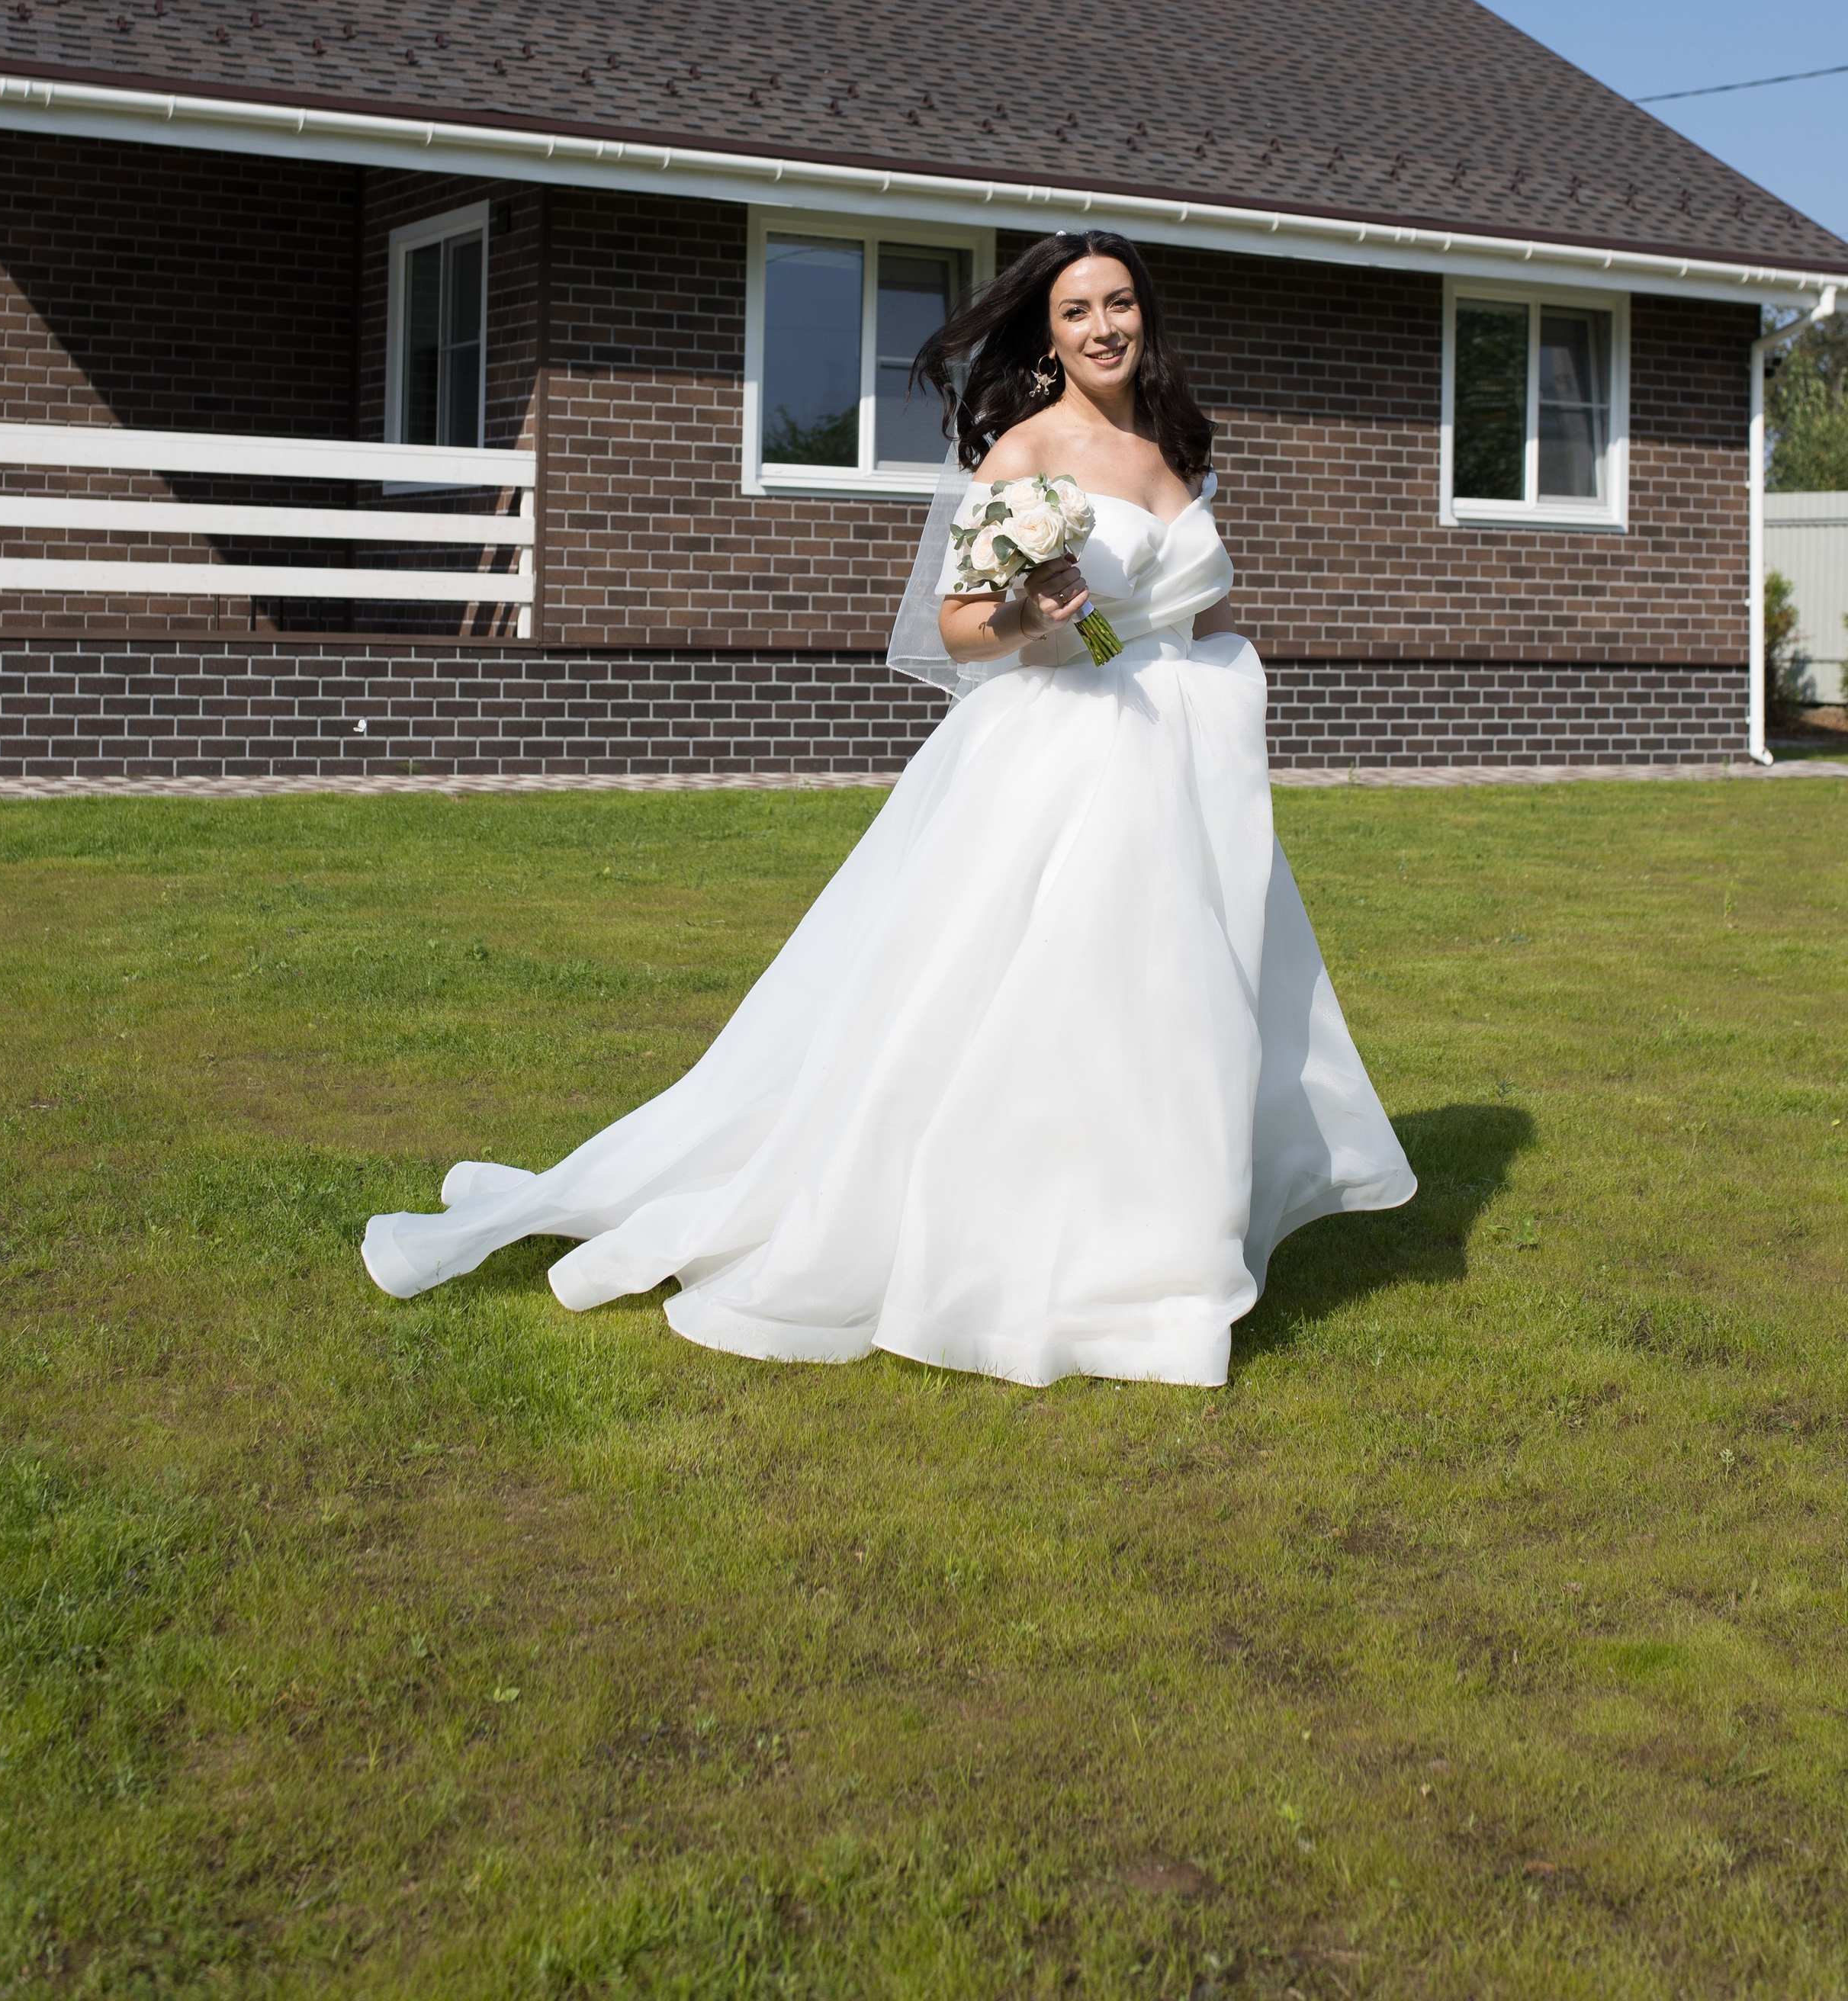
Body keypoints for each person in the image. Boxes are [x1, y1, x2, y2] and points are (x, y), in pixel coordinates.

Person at [362, 230, 1415, 1386]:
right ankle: (1028, 1252)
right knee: (1052, 998)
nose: (1105, 328)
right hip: (1065, 752)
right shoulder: (1022, 453)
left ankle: (1173, 1256)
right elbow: (962, 627)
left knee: (1185, 1004)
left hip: (1187, 768)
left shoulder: (1179, 441)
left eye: (1121, 305)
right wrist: (1035, 622)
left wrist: (1219, 707)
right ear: (1048, 334)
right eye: (1078, 312)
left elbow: (1195, 610)